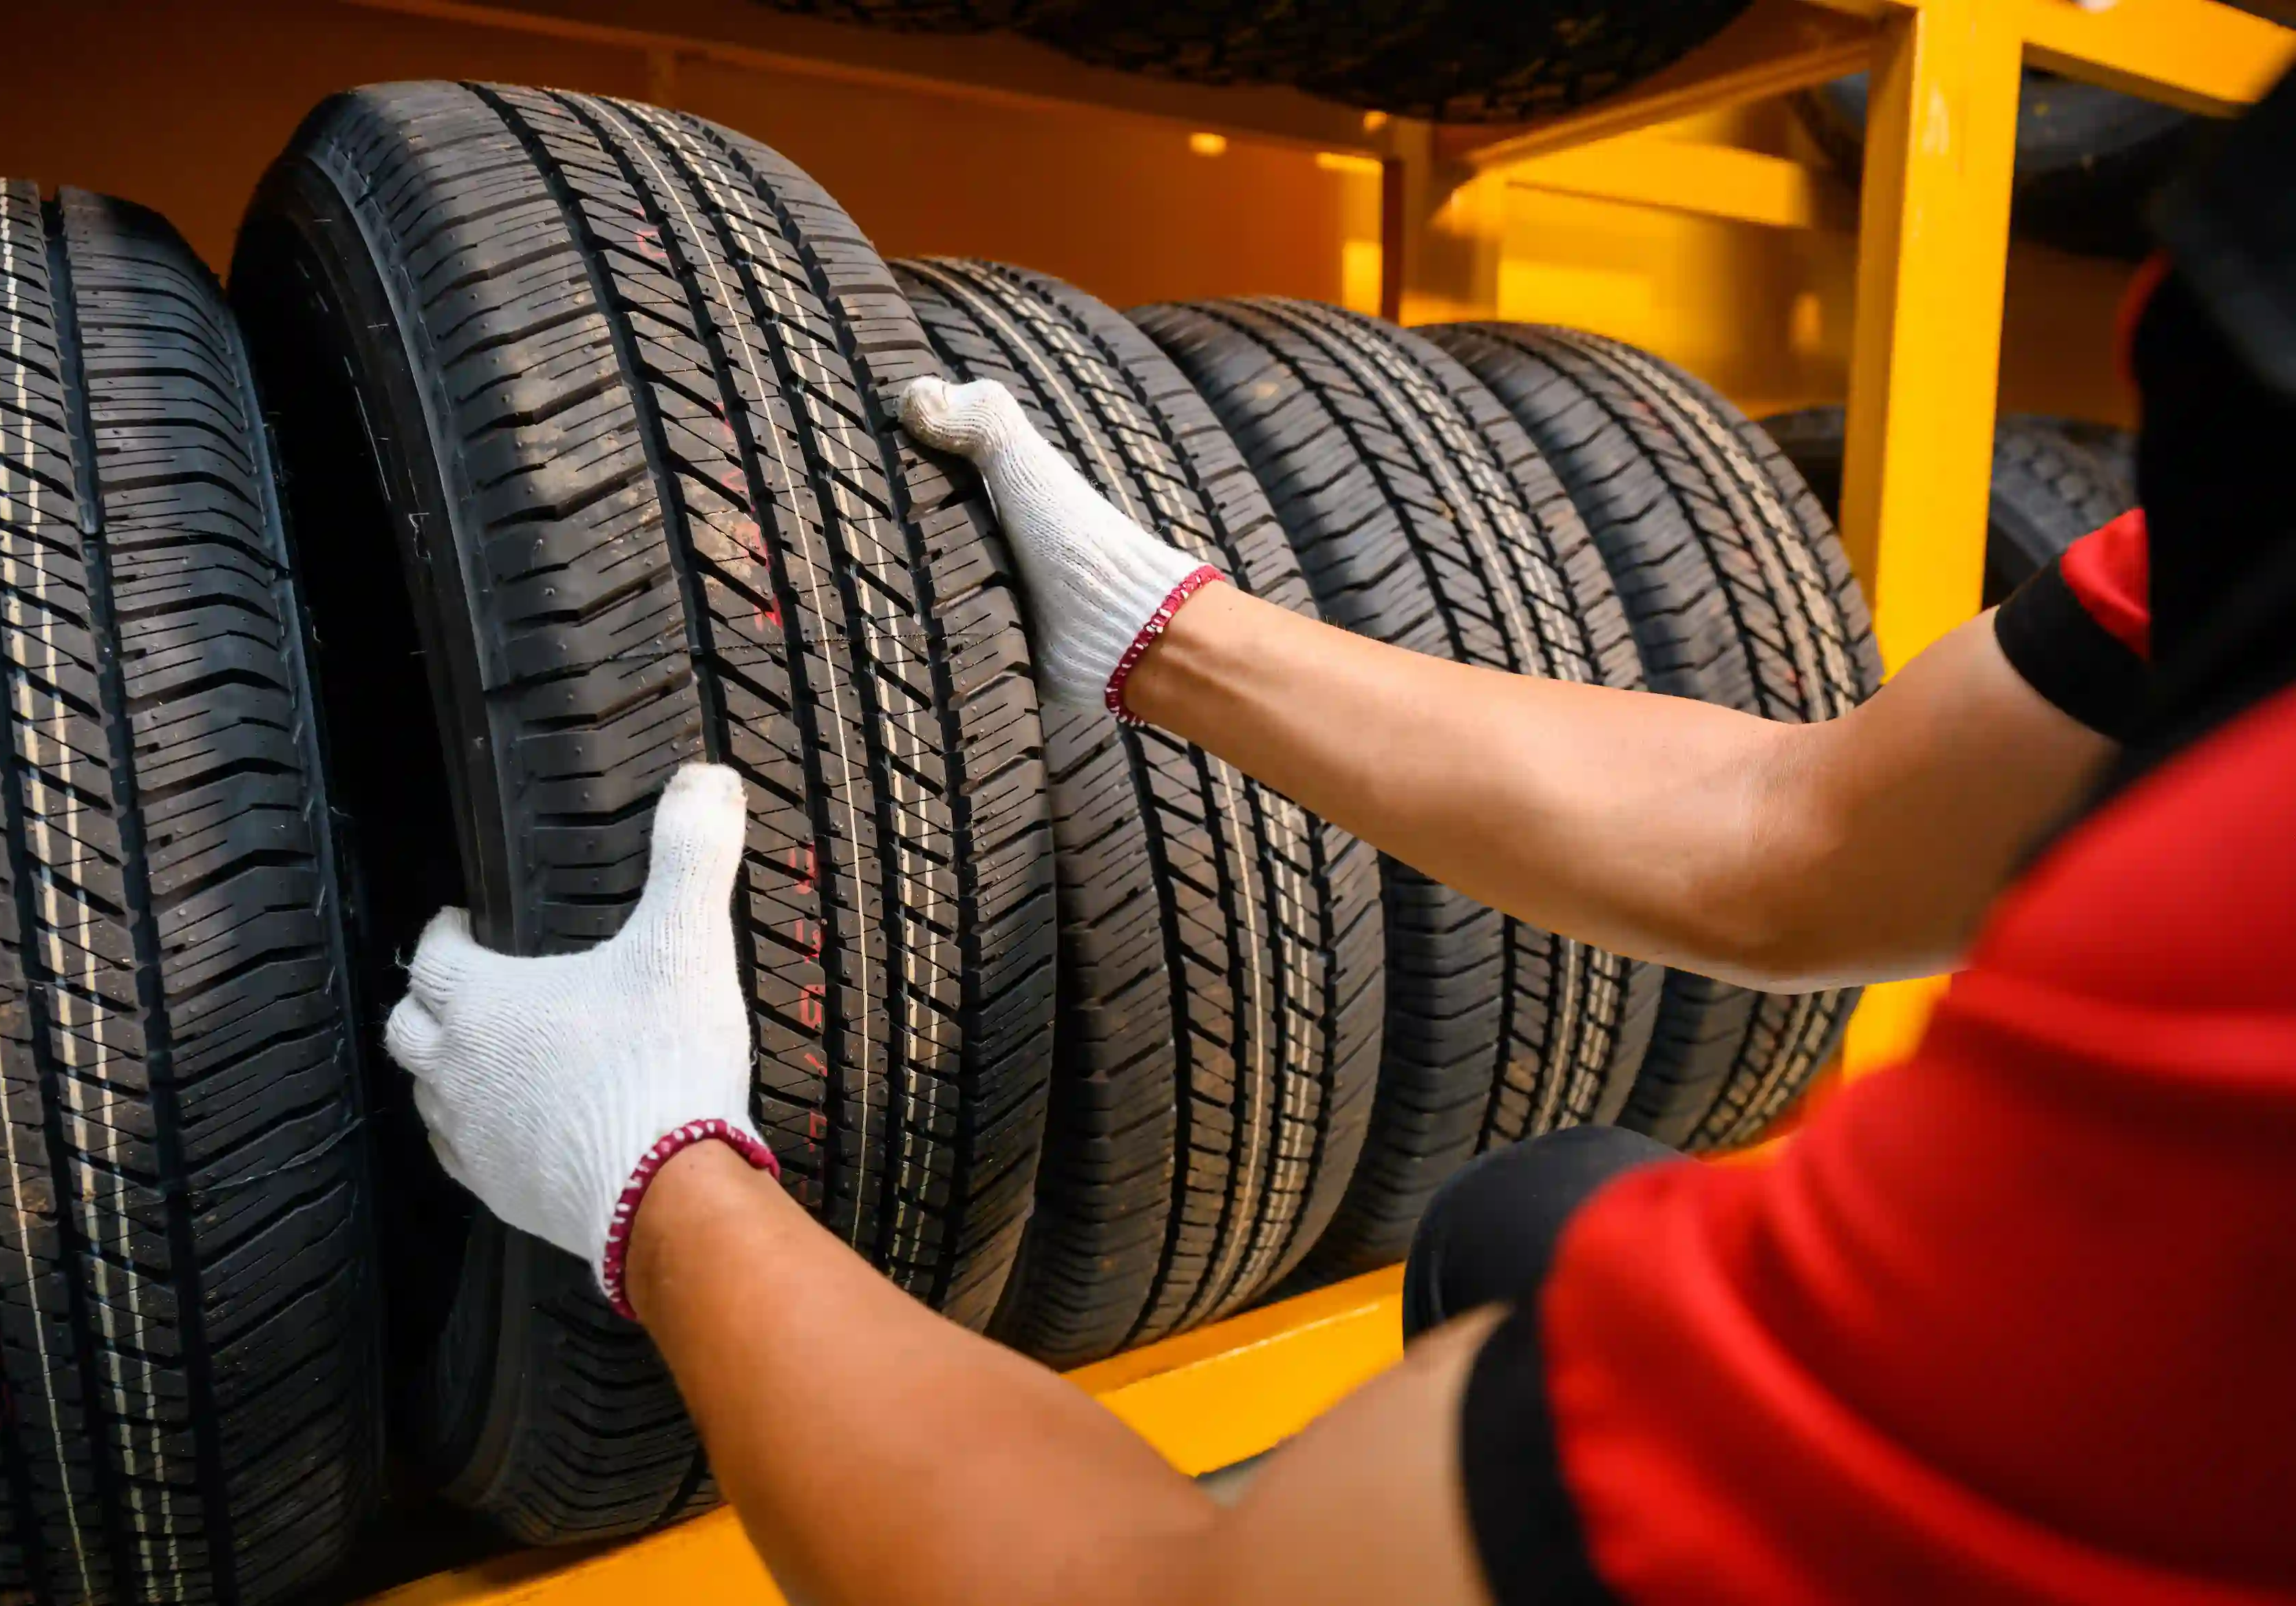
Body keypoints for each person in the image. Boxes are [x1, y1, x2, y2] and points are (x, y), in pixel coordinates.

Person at [381, 74, 2296, 1606]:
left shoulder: (2240, 996)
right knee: (1530, 1235)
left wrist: (653, 1181)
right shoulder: (2240, 589)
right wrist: (1173, 637)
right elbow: (1787, 832)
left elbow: (1164, 1587)